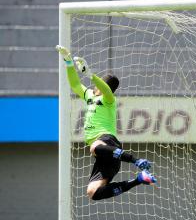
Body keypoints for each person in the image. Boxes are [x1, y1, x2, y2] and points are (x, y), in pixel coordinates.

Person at [56, 45, 157, 201]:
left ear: (102, 86)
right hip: (106, 157)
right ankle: (139, 179)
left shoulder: (108, 100)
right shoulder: (89, 96)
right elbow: (75, 85)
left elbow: (107, 91)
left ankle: (135, 160)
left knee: (94, 147)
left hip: (107, 141)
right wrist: (68, 63)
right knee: (93, 193)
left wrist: (90, 74)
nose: (94, 86)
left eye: (98, 84)